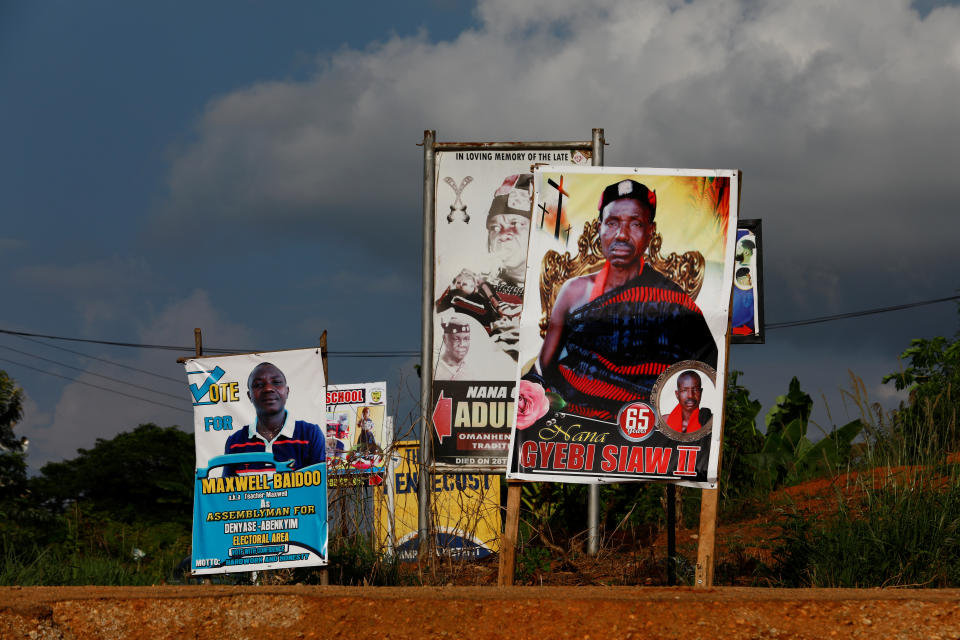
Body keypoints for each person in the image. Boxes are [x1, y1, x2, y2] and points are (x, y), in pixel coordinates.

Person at [533, 179, 718, 422]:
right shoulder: (574, 291)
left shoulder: (674, 301)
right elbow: (543, 368)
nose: (621, 235)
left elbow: (706, 371)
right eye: (612, 223)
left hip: (641, 432)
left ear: (650, 231)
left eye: (635, 224)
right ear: (600, 228)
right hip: (574, 426)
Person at [436, 174, 532, 360]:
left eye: (515, 224)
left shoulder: (566, 291)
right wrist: (453, 291)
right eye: (495, 227)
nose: (503, 234)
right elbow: (434, 334)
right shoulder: (474, 294)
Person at [223, 362, 325, 476]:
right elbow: (228, 492)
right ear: (249, 396)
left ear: (287, 391)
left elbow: (317, 490)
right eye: (258, 385)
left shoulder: (310, 435)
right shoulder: (235, 443)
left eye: (276, 382)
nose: (268, 388)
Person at [434, 315, 472, 381]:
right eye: (456, 339)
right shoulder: (434, 368)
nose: (462, 344)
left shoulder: (470, 372)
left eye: (466, 339)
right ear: (445, 339)